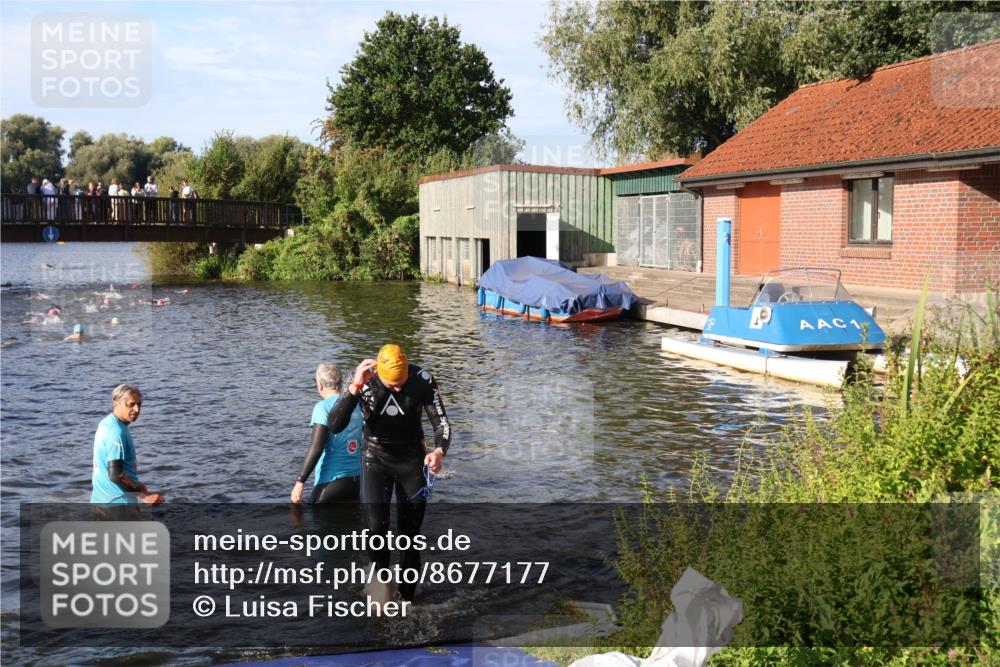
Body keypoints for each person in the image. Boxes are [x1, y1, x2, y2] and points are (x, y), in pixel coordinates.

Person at [326, 343, 452, 602]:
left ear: (407, 369)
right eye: (391, 383)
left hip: (411, 462)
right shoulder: (363, 378)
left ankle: (407, 601)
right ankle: (382, 588)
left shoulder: (422, 380)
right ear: (379, 372)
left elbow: (442, 424)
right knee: (375, 530)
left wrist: (439, 451)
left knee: (409, 536)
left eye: (400, 382)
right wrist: (353, 389)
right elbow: (335, 424)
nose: (397, 388)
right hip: (375, 460)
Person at [291, 363, 363, 504]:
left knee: (305, 519)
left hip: (331, 482)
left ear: (320, 385)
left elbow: (316, 447)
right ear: (340, 384)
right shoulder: (356, 404)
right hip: (357, 482)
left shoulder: (322, 407)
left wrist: (300, 481)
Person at [91, 384, 164, 505]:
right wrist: (144, 496)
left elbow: (110, 467)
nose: (137, 410)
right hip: (117, 505)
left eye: (139, 404)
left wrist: (136, 485)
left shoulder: (107, 423)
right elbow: (116, 475)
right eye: (131, 405)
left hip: (102, 501)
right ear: (116, 404)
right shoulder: (115, 432)